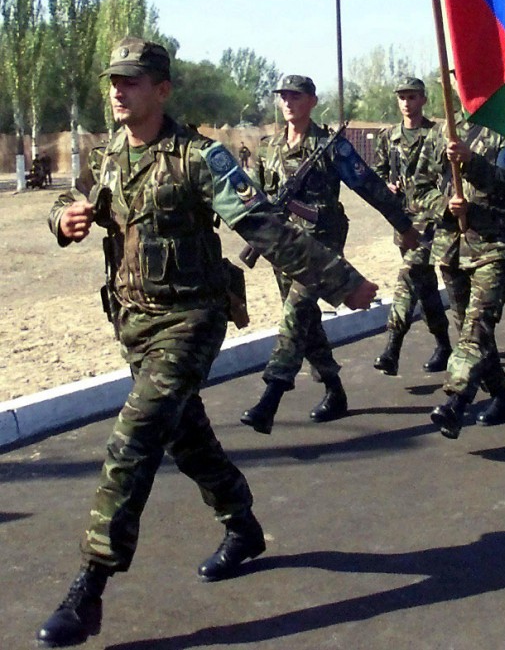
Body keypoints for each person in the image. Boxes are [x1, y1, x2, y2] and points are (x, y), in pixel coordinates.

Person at [37, 38, 379, 649]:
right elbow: (71, 196)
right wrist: (63, 216)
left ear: (162, 90)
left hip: (190, 319)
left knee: (135, 437)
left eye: (133, 81)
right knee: (187, 440)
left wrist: (342, 281)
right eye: (113, 81)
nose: (118, 90)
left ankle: (89, 587)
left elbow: (265, 225)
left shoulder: (201, 158)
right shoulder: (109, 152)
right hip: (133, 325)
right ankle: (242, 524)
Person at [240, 75, 417, 434]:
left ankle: (270, 397)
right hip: (283, 247)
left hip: (321, 247)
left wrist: (403, 225)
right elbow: (254, 200)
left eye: (296, 96)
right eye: (284, 96)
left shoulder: (331, 146)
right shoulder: (269, 146)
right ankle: (334, 389)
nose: (288, 102)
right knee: (307, 325)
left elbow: (369, 185)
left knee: (296, 314)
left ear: (312, 101)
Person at [413, 119, 505, 439]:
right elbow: (418, 187)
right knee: (468, 330)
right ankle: (500, 395)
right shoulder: (439, 132)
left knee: (477, 327)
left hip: (492, 245)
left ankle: (456, 401)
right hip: (451, 248)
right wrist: (445, 205)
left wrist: (471, 162)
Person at [372, 77, 452, 374]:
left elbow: (449, 173)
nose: (406, 102)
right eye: (402, 97)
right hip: (403, 221)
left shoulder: (437, 134)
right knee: (425, 285)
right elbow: (376, 175)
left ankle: (392, 347)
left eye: (412, 96)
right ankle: (444, 344)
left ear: (423, 100)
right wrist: (386, 186)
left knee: (409, 276)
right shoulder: (388, 137)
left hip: (432, 220)